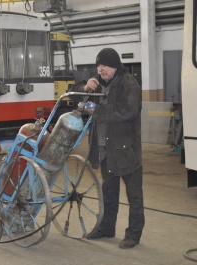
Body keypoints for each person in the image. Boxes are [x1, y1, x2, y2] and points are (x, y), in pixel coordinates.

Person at [70, 48, 144, 249]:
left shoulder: (129, 83)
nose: (100, 70)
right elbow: (73, 94)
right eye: (98, 66)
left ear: (114, 66)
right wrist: (85, 87)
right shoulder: (100, 81)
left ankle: (134, 234)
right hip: (105, 148)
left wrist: (97, 110)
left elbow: (127, 111)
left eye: (104, 66)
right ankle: (106, 228)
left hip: (126, 149)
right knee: (108, 191)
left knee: (134, 194)